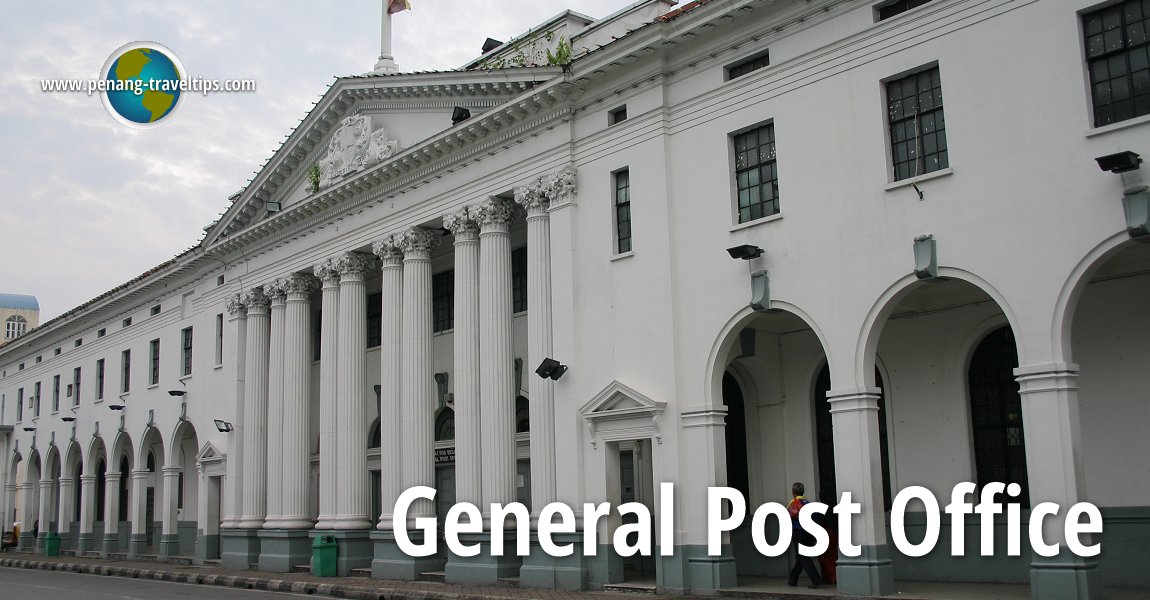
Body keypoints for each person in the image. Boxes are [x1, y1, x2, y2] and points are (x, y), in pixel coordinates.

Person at [787, 482, 823, 589]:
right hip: (809, 533)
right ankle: (793, 579)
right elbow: (815, 520)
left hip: (798, 532)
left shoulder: (793, 503)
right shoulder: (809, 503)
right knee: (800, 557)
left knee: (803, 557)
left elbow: (788, 516)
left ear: (793, 492)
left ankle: (816, 580)